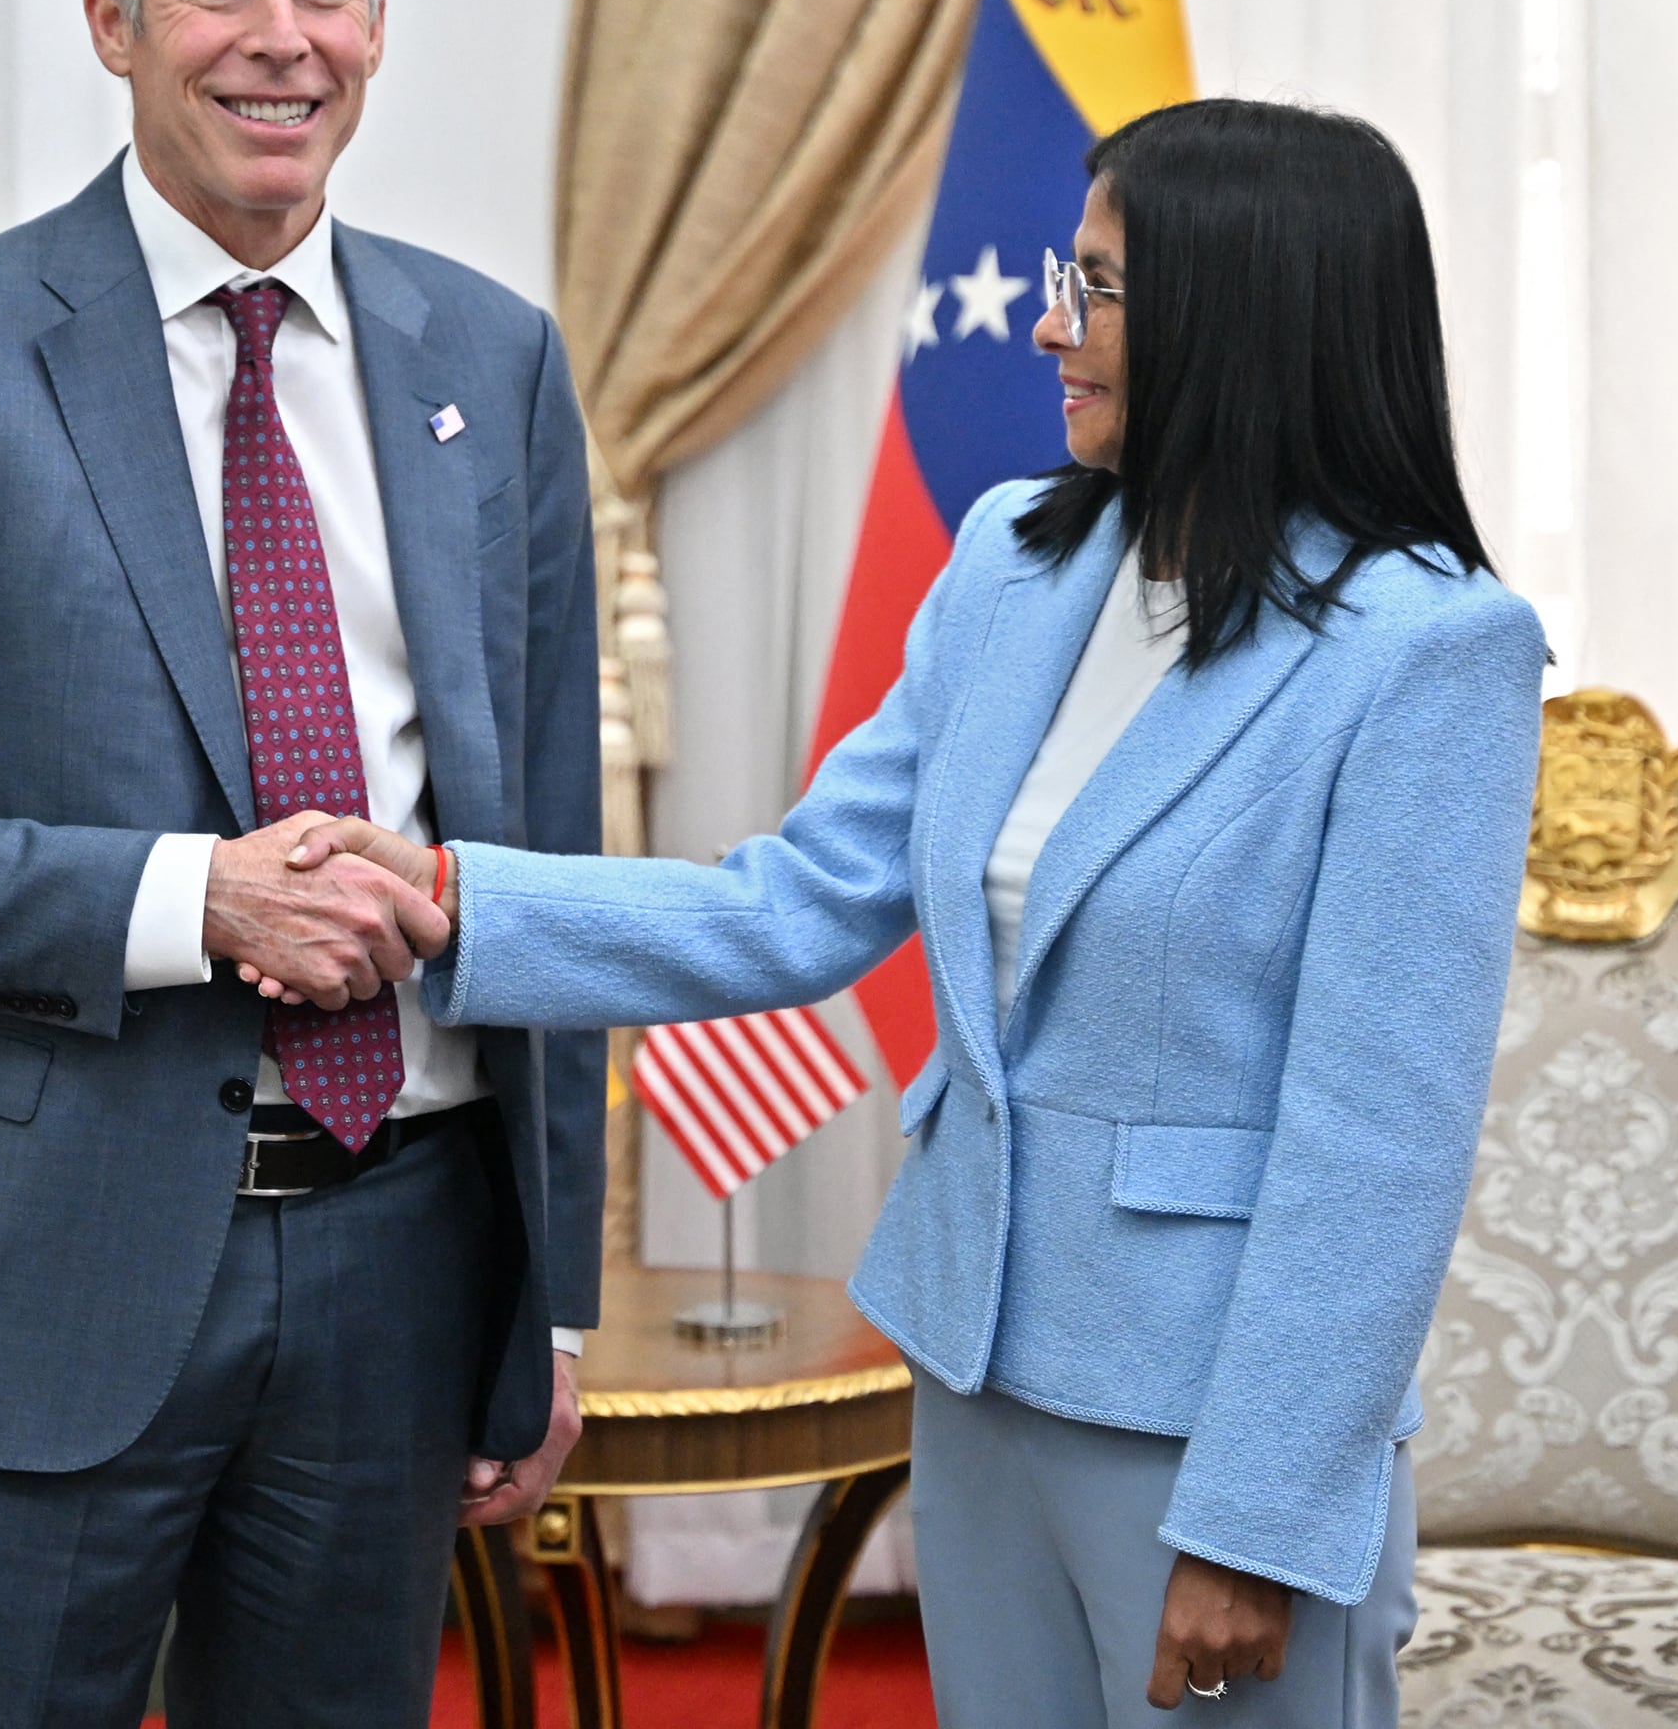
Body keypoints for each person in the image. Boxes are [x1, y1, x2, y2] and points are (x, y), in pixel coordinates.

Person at [276, 100, 1547, 1725]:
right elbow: (799, 902)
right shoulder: (1017, 561)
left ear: (1242, 316)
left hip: (1208, 1426)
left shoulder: (1428, 652)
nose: (1046, 325)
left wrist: (1259, 1521)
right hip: (975, 1368)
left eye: (1096, 290)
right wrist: (458, 904)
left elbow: (1380, 1139)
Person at [0, 0, 603, 1729]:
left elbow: (538, 841)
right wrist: (192, 900)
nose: (280, 36)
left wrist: (542, 1297)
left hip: (405, 1252)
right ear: (115, 21)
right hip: (56, 1272)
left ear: (378, 18)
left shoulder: (494, 363)